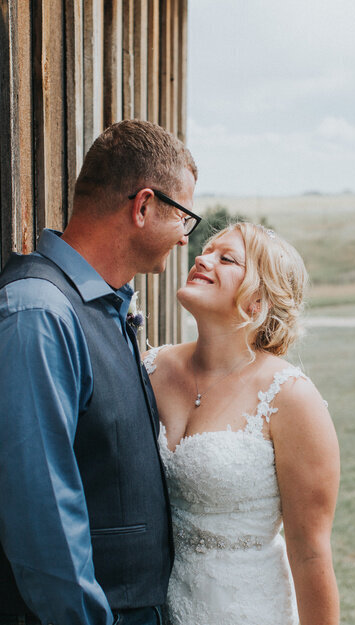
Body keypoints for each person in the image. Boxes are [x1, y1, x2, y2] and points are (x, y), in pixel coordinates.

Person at [0, 119, 199, 625]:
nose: (183, 239)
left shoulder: (97, 306)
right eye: (183, 217)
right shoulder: (37, 317)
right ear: (144, 207)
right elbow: (40, 518)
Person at [141, 222, 340, 625]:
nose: (201, 258)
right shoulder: (150, 368)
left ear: (259, 299)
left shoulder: (291, 397)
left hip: (247, 609)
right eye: (205, 250)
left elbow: (310, 553)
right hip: (155, 608)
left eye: (225, 258)